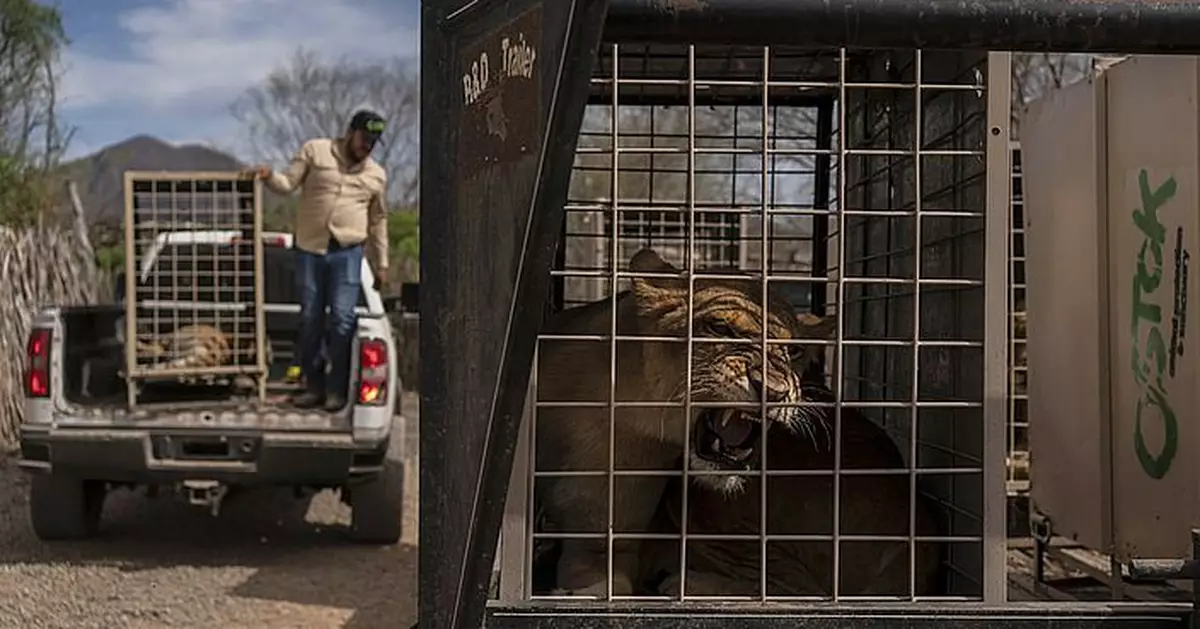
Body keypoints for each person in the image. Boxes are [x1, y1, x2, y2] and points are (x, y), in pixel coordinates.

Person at [246, 110, 390, 411]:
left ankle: (336, 389)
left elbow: (378, 221)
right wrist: (268, 176)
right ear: (351, 132)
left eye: (373, 143)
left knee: (342, 319)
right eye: (365, 139)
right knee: (310, 317)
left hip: (348, 251)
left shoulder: (376, 175)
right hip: (311, 249)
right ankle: (312, 386)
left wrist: (382, 262)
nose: (367, 147)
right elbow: (287, 183)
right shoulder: (316, 150)